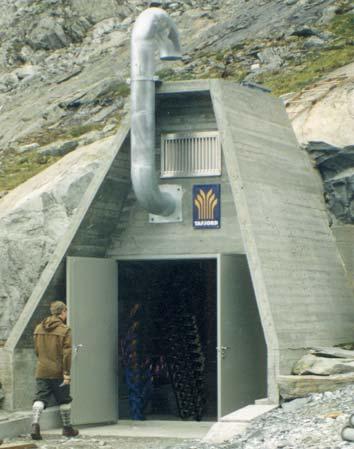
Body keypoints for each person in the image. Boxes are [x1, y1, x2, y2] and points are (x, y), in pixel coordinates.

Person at [31, 301, 79, 440]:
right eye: (66, 311)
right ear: (62, 312)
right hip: (58, 372)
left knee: (40, 398)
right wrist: (66, 373)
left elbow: (37, 350)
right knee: (64, 400)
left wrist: (43, 362)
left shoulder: (38, 328)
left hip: (42, 369)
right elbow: (67, 354)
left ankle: (34, 424)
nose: (66, 314)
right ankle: (67, 428)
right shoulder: (65, 330)